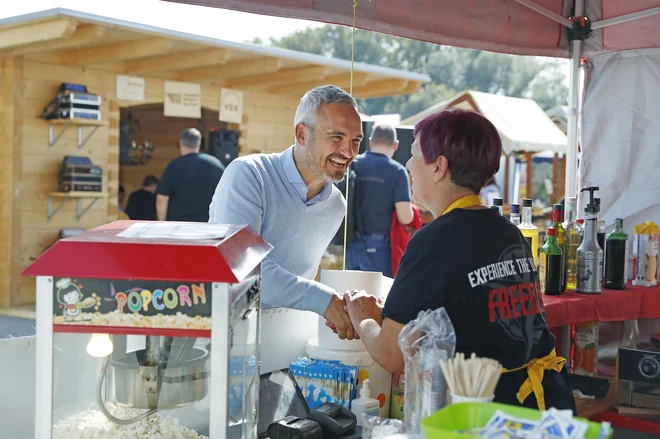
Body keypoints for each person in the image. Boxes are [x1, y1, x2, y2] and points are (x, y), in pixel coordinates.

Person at [344, 109, 576, 413]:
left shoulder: (433, 242)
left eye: (413, 155)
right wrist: (386, 316)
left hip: (492, 415)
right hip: (548, 405)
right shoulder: (510, 232)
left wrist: (360, 317)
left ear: (439, 166)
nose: (408, 165)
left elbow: (391, 354)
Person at [208, 85, 364, 340]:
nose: (348, 152)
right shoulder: (249, 174)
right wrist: (324, 301)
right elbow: (240, 269)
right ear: (302, 134)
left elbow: (297, 281)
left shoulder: (337, 205)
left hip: (284, 344)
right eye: (336, 137)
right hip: (227, 343)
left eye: (355, 141)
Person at [345, 124, 414, 278]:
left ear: (370, 141)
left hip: (349, 244)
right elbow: (406, 217)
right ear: (395, 145)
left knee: (350, 298)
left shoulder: (352, 164)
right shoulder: (397, 171)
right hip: (379, 248)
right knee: (378, 298)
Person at [156, 128, 225, 222]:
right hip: (208, 226)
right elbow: (226, 196)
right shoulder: (216, 165)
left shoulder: (174, 166)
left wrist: (162, 225)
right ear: (199, 143)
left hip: (178, 226)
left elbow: (162, 199)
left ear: (181, 143)